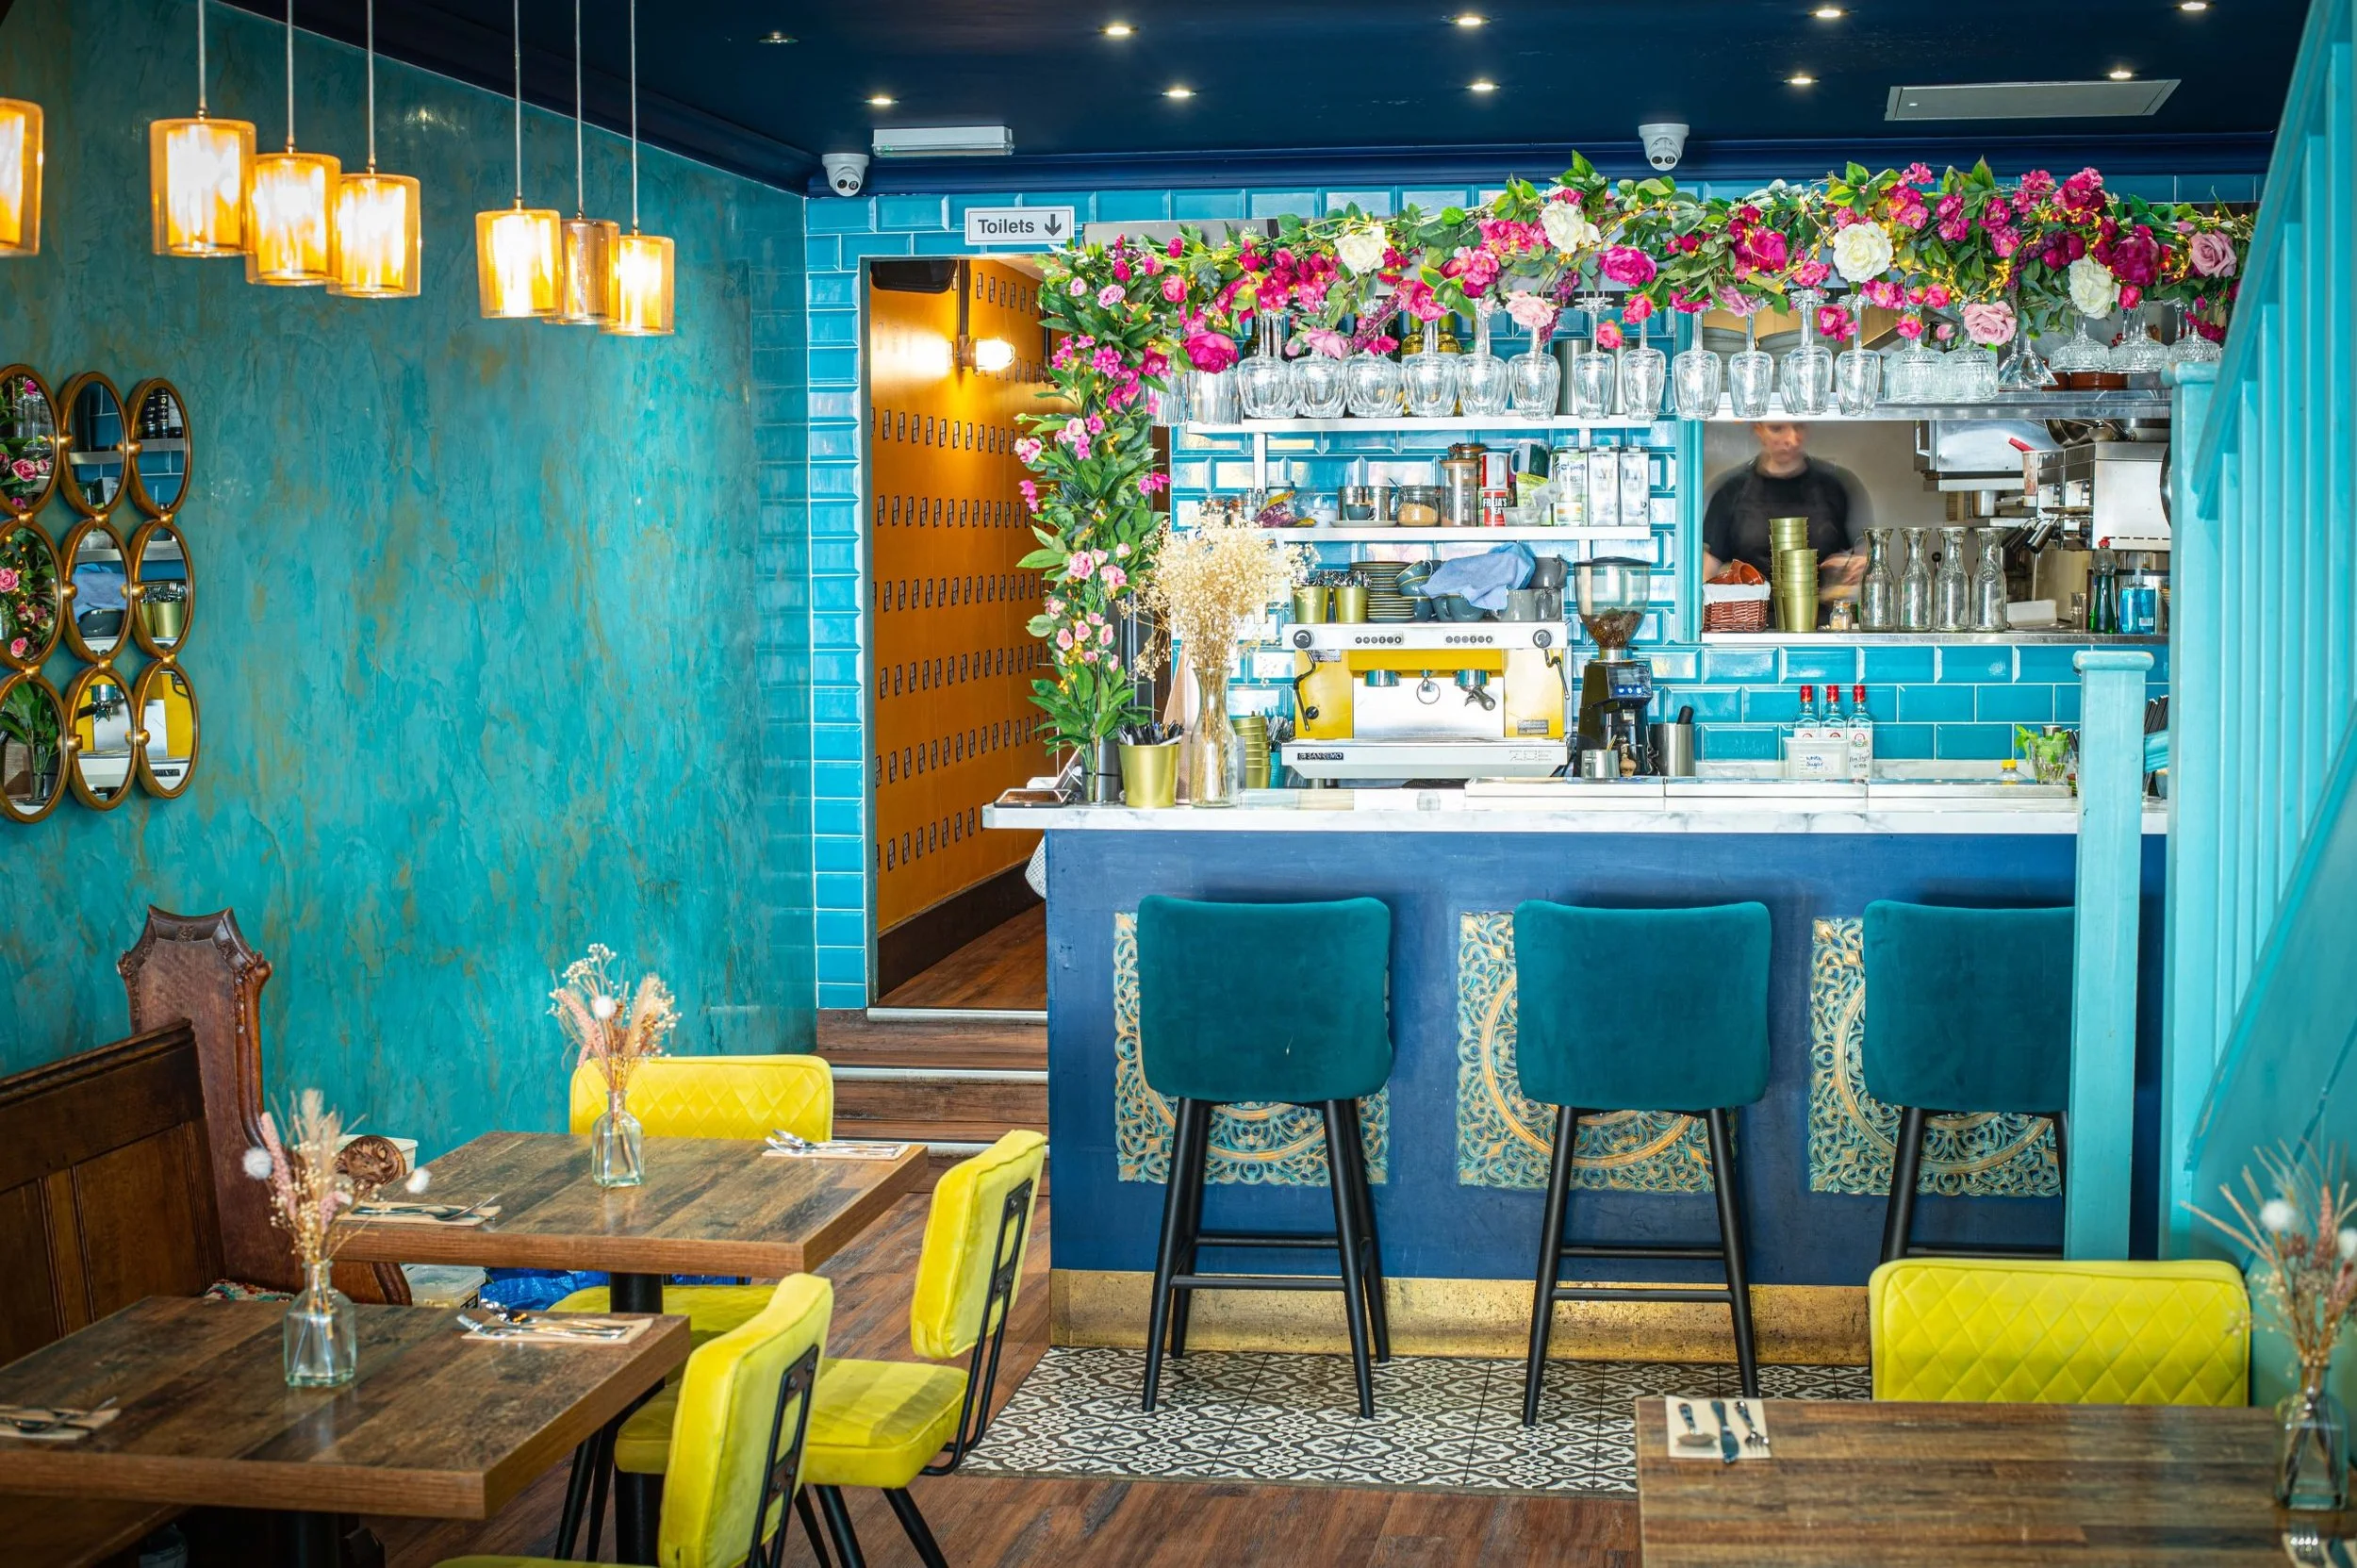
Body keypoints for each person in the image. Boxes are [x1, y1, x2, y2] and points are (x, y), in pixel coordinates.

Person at [1701, 422, 1871, 586]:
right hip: (1748, 613)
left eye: (1798, 426)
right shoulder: (1731, 492)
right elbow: (1706, 574)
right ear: (1758, 430)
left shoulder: (1835, 487)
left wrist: (1857, 567)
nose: (1792, 439)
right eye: (1777, 429)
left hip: (1825, 613)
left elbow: (1866, 557)